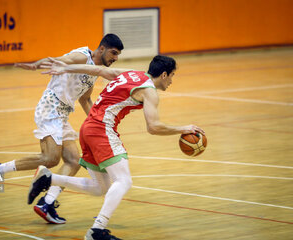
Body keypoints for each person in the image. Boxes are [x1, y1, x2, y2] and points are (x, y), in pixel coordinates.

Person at [28, 55, 205, 239]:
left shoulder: (133, 74)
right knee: (124, 180)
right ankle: (97, 230)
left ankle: (49, 179)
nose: (171, 81)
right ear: (164, 74)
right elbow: (153, 127)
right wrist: (183, 128)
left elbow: (100, 70)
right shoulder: (149, 91)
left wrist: (66, 68)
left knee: (99, 187)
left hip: (88, 128)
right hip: (101, 130)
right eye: (172, 76)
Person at [0, 34, 124, 224]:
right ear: (102, 49)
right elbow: (59, 61)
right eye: (114, 53)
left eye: (118, 55)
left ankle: (47, 203)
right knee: (50, 159)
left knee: (73, 161)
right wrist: (37, 64)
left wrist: (98, 123)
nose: (115, 58)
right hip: (50, 109)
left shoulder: (94, 70)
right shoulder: (82, 56)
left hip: (62, 114)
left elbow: (85, 99)